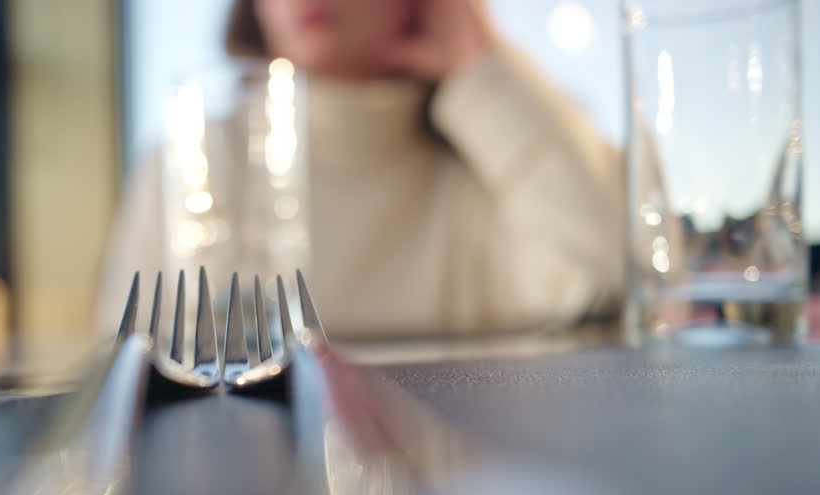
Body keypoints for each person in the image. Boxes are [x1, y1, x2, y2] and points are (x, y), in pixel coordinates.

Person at [96, 0, 623, 339]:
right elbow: (129, 380)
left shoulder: (494, 166)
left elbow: (612, 287)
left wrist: (481, 68)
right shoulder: (192, 160)